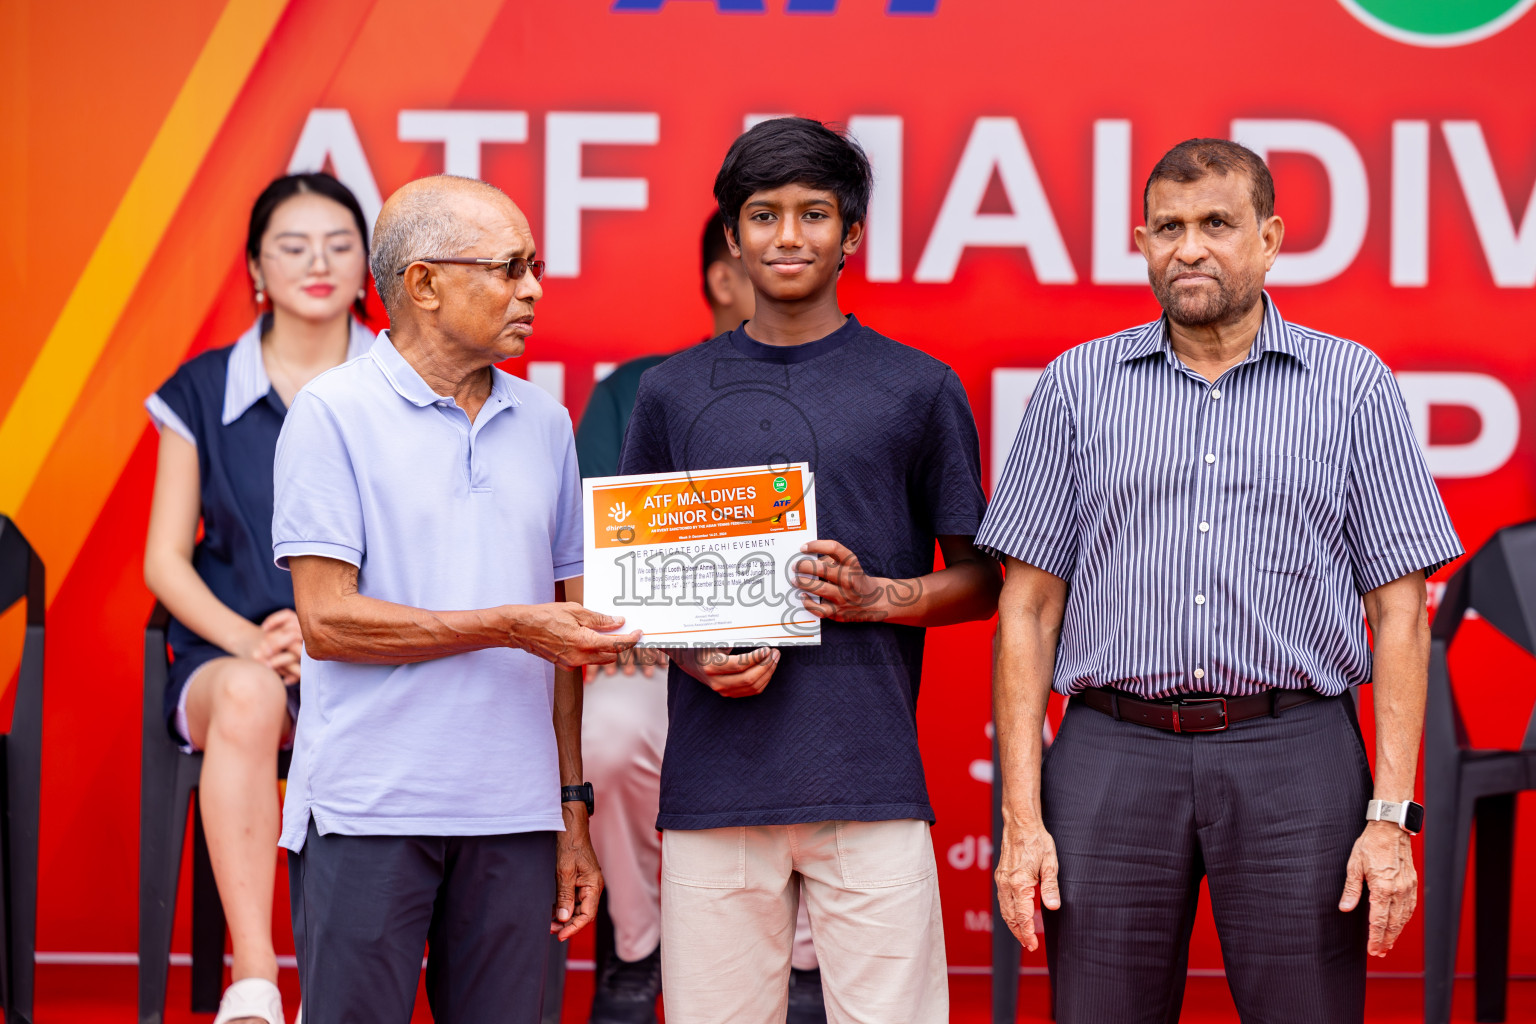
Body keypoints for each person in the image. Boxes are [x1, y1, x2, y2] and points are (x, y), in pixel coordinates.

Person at [982, 138, 1464, 1023]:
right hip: (1110, 753)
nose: (1190, 248)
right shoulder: (1075, 388)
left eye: (1217, 224)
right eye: (1169, 227)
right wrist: (1022, 819)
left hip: (1297, 756)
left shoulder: (1352, 386)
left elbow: (1400, 612)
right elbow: (1027, 607)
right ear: (1141, 240)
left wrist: (1389, 817)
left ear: (1270, 238)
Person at [618, 117, 1003, 1024]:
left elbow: (984, 579)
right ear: (731, 235)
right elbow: (637, 591)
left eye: (814, 214)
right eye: (763, 215)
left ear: (852, 234)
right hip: (716, 782)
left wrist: (878, 597)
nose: (788, 236)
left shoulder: (918, 386)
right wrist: (692, 653)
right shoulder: (671, 392)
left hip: (868, 774)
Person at [271, 174, 640, 1023]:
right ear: (424, 284)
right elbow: (326, 622)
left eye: (535, 266)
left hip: (516, 815)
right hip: (369, 810)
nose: (534, 289)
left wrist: (572, 809)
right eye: (510, 268)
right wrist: (509, 624)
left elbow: (570, 634)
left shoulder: (547, 423)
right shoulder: (332, 414)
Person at [574, 215, 823, 1024]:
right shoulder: (640, 388)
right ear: (723, 275)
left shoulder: (851, 382)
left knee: (840, 729)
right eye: (758, 237)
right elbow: (598, 538)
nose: (786, 251)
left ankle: (804, 961)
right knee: (608, 734)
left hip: (814, 655)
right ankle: (636, 944)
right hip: (658, 654)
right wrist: (640, 622)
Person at [143, 172, 375, 1024]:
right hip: (236, 655)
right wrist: (251, 640)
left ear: (368, 267)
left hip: (372, 650)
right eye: (293, 245)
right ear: (255, 268)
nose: (318, 263)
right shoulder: (202, 391)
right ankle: (255, 981)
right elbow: (165, 561)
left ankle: (349, 988)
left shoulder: (405, 380)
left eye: (340, 245)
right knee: (245, 696)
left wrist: (334, 630)